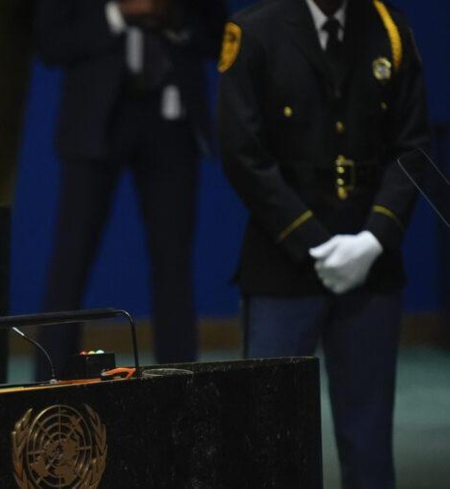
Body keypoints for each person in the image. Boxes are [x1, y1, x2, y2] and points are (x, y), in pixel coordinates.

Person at [218, 0, 429, 487]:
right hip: (282, 261)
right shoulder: (255, 30)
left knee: (369, 443)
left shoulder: (390, 29)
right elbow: (241, 152)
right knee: (269, 439)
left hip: (370, 261)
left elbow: (413, 145)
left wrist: (376, 238)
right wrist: (314, 242)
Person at [33, 0, 228, 379]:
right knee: (70, 260)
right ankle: (49, 388)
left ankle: (180, 386)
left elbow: (220, 36)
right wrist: (120, 14)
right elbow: (51, 43)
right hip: (93, 122)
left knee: (174, 262)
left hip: (173, 122)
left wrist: (172, 17)